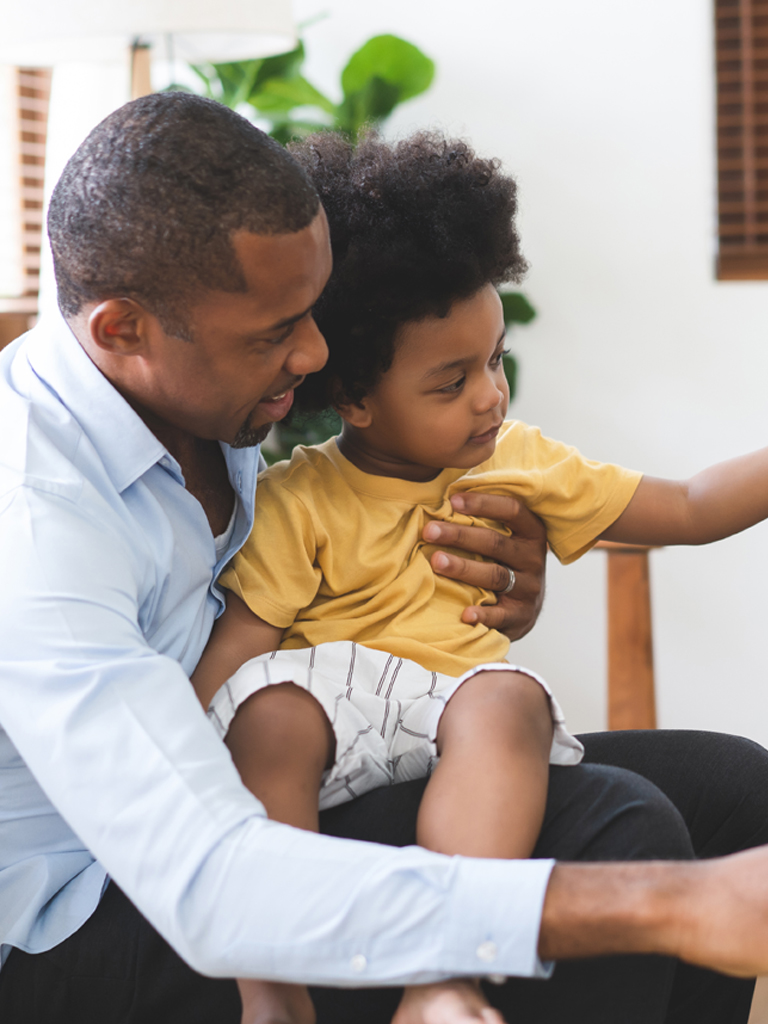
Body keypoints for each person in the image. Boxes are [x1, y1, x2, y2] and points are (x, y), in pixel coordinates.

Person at [1, 92, 768, 1024]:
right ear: (123, 330)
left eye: (311, 312)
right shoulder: (36, 519)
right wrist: (673, 906)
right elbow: (201, 871)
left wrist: (497, 582)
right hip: (89, 911)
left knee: (735, 792)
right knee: (619, 834)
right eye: (276, 333)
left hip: (290, 768)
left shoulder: (212, 390)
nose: (317, 354)